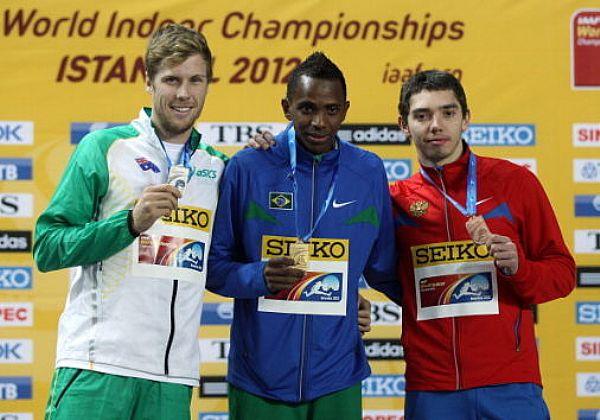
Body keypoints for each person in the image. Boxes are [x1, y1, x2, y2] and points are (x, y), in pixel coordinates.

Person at [33, 24, 227, 419]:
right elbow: (48, 246)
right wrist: (130, 223)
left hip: (172, 378)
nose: (184, 94)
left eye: (196, 80)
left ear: (209, 83)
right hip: (97, 365)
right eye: (171, 80)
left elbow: (226, 263)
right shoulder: (105, 149)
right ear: (148, 82)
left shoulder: (217, 167)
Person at [206, 52, 402, 419]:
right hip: (258, 376)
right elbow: (213, 266)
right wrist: (256, 276)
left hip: (337, 374)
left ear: (345, 110)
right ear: (286, 107)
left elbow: (385, 267)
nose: (318, 121)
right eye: (306, 108)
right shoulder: (248, 167)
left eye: (330, 110)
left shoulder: (368, 171)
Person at [391, 70, 575, 419]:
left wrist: (519, 267)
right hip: (432, 389)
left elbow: (562, 274)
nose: (436, 125)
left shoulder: (514, 182)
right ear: (404, 124)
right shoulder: (395, 200)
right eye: (422, 115)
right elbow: (384, 275)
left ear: (466, 119)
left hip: (510, 384)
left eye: (448, 112)